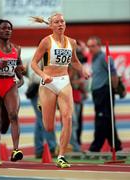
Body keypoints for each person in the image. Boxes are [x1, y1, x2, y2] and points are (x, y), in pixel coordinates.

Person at [31, 13, 90, 168]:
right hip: (48, 83)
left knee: (68, 117)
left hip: (64, 82)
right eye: (56, 22)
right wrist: (44, 75)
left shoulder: (72, 42)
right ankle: (43, 105)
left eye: (62, 21)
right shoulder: (46, 42)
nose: (60, 24)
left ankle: (62, 156)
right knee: (49, 127)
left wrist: (83, 70)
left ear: (65, 24)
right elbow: (33, 64)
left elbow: (74, 61)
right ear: (51, 25)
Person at [0, 19, 24, 165]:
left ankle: (16, 150)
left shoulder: (17, 48)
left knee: (14, 115)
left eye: (10, 28)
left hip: (10, 83)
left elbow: (19, 68)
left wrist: (22, 77)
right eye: (4, 28)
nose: (7, 30)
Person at [87, 36, 122, 152]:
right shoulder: (95, 58)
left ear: (99, 46)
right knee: (106, 119)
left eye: (92, 46)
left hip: (104, 91)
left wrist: (115, 88)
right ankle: (115, 144)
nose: (90, 48)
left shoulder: (104, 57)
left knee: (102, 119)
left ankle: (96, 146)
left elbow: (113, 73)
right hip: (97, 92)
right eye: (89, 46)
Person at [25, 60, 57, 158]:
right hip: (40, 92)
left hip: (38, 92)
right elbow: (35, 77)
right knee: (46, 120)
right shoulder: (41, 59)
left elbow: (27, 73)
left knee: (39, 122)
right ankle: (51, 147)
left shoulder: (32, 58)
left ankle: (39, 149)